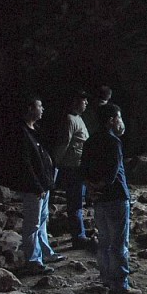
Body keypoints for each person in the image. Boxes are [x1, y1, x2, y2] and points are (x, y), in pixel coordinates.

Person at [81, 103, 139, 294]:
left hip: (99, 199)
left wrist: (92, 188)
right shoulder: (114, 142)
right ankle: (121, 284)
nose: (120, 122)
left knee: (104, 241)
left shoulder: (90, 141)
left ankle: (106, 279)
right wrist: (101, 187)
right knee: (119, 243)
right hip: (116, 197)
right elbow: (112, 173)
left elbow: (84, 170)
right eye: (118, 118)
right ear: (111, 120)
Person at [7, 96, 64, 275]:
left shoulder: (35, 130)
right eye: (40, 106)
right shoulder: (21, 132)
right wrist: (37, 186)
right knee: (33, 223)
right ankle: (33, 260)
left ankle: (46, 252)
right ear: (30, 108)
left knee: (43, 220)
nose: (43, 109)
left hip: (43, 184)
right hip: (34, 187)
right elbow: (25, 164)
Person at [54, 90, 91, 249]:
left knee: (78, 202)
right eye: (84, 100)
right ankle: (78, 237)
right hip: (73, 168)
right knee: (75, 203)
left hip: (79, 166)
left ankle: (80, 233)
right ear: (76, 101)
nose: (87, 103)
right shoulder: (70, 119)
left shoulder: (78, 118)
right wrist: (56, 163)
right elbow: (64, 143)